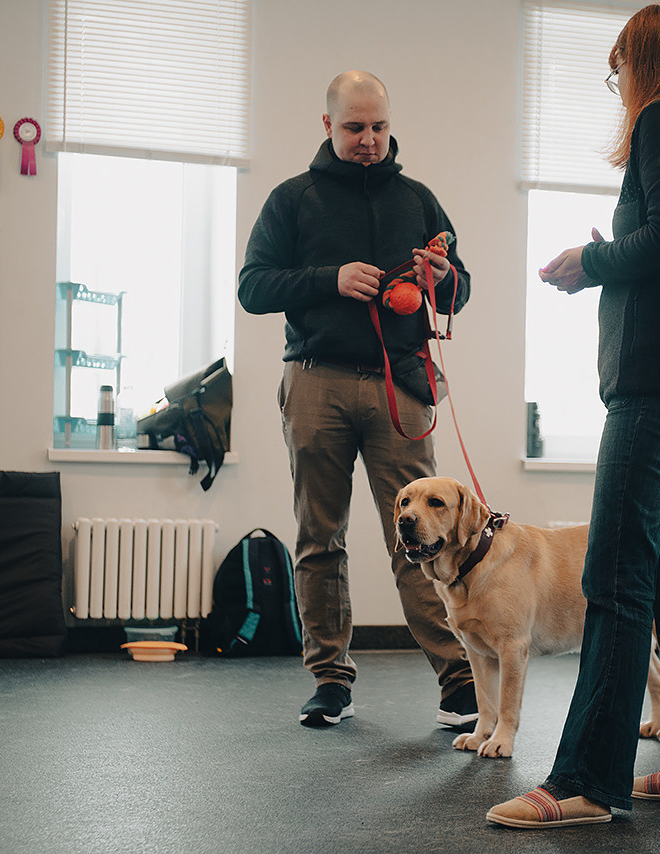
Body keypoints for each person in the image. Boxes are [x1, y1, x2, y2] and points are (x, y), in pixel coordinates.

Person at [487, 4, 660, 828]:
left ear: (640, 63)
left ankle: (584, 783)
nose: (620, 90)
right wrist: (626, 250)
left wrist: (591, 260)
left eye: (618, 72)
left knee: (614, 574)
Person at [238, 70, 477, 729]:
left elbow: (461, 293)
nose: (368, 140)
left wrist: (444, 277)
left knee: (426, 536)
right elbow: (253, 286)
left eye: (378, 127)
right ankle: (330, 681)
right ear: (327, 126)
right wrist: (329, 279)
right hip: (315, 379)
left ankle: (458, 680)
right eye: (354, 128)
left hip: (399, 384)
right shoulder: (292, 200)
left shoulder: (420, 200)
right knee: (320, 536)